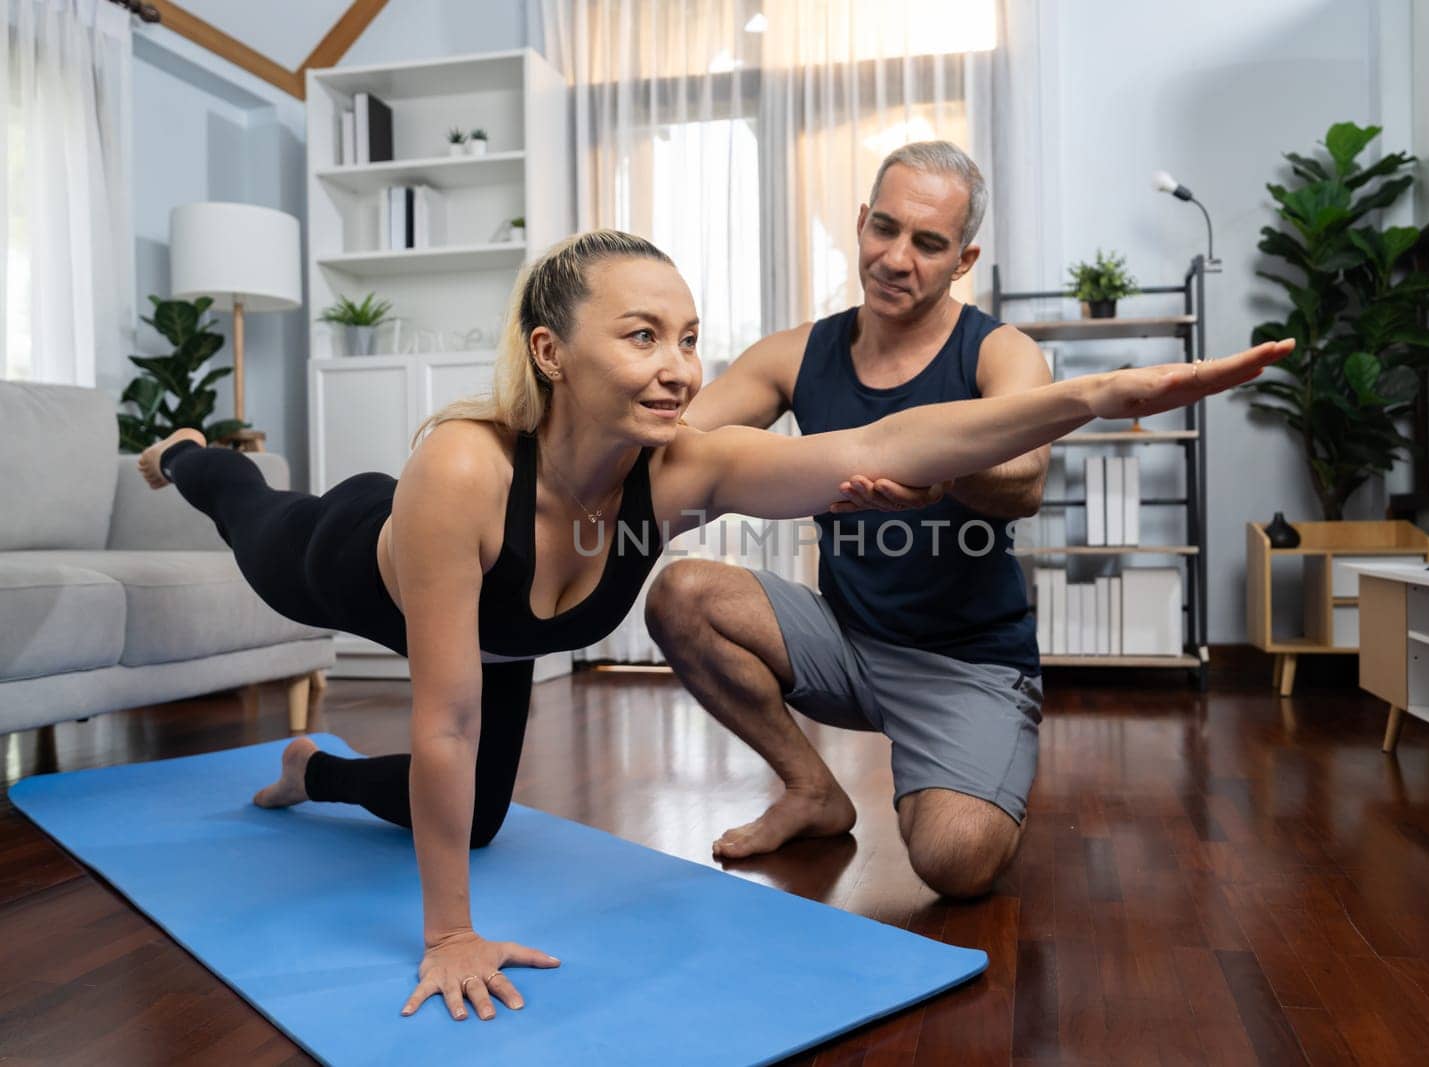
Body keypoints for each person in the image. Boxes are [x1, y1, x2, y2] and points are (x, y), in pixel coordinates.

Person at [138, 228, 1288, 1024]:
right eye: (642, 337)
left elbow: (880, 450)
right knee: (255, 518)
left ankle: (313, 771)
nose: (680, 368)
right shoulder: (462, 465)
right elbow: (440, 715)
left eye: (688, 338)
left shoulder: (683, 470)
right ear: (553, 352)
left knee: (477, 822)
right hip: (359, 562)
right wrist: (448, 938)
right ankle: (192, 454)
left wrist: (1092, 396)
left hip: (499, 637)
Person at [643, 141, 1099, 898]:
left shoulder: (999, 352)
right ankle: (812, 790)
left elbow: (1025, 481)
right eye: (884, 229)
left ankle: (976, 763)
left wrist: (936, 464)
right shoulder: (799, 353)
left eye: (927, 243)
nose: (895, 257)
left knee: (954, 861)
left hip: (968, 665)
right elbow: (681, 438)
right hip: (847, 642)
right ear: (861, 222)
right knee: (680, 595)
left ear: (963, 258)